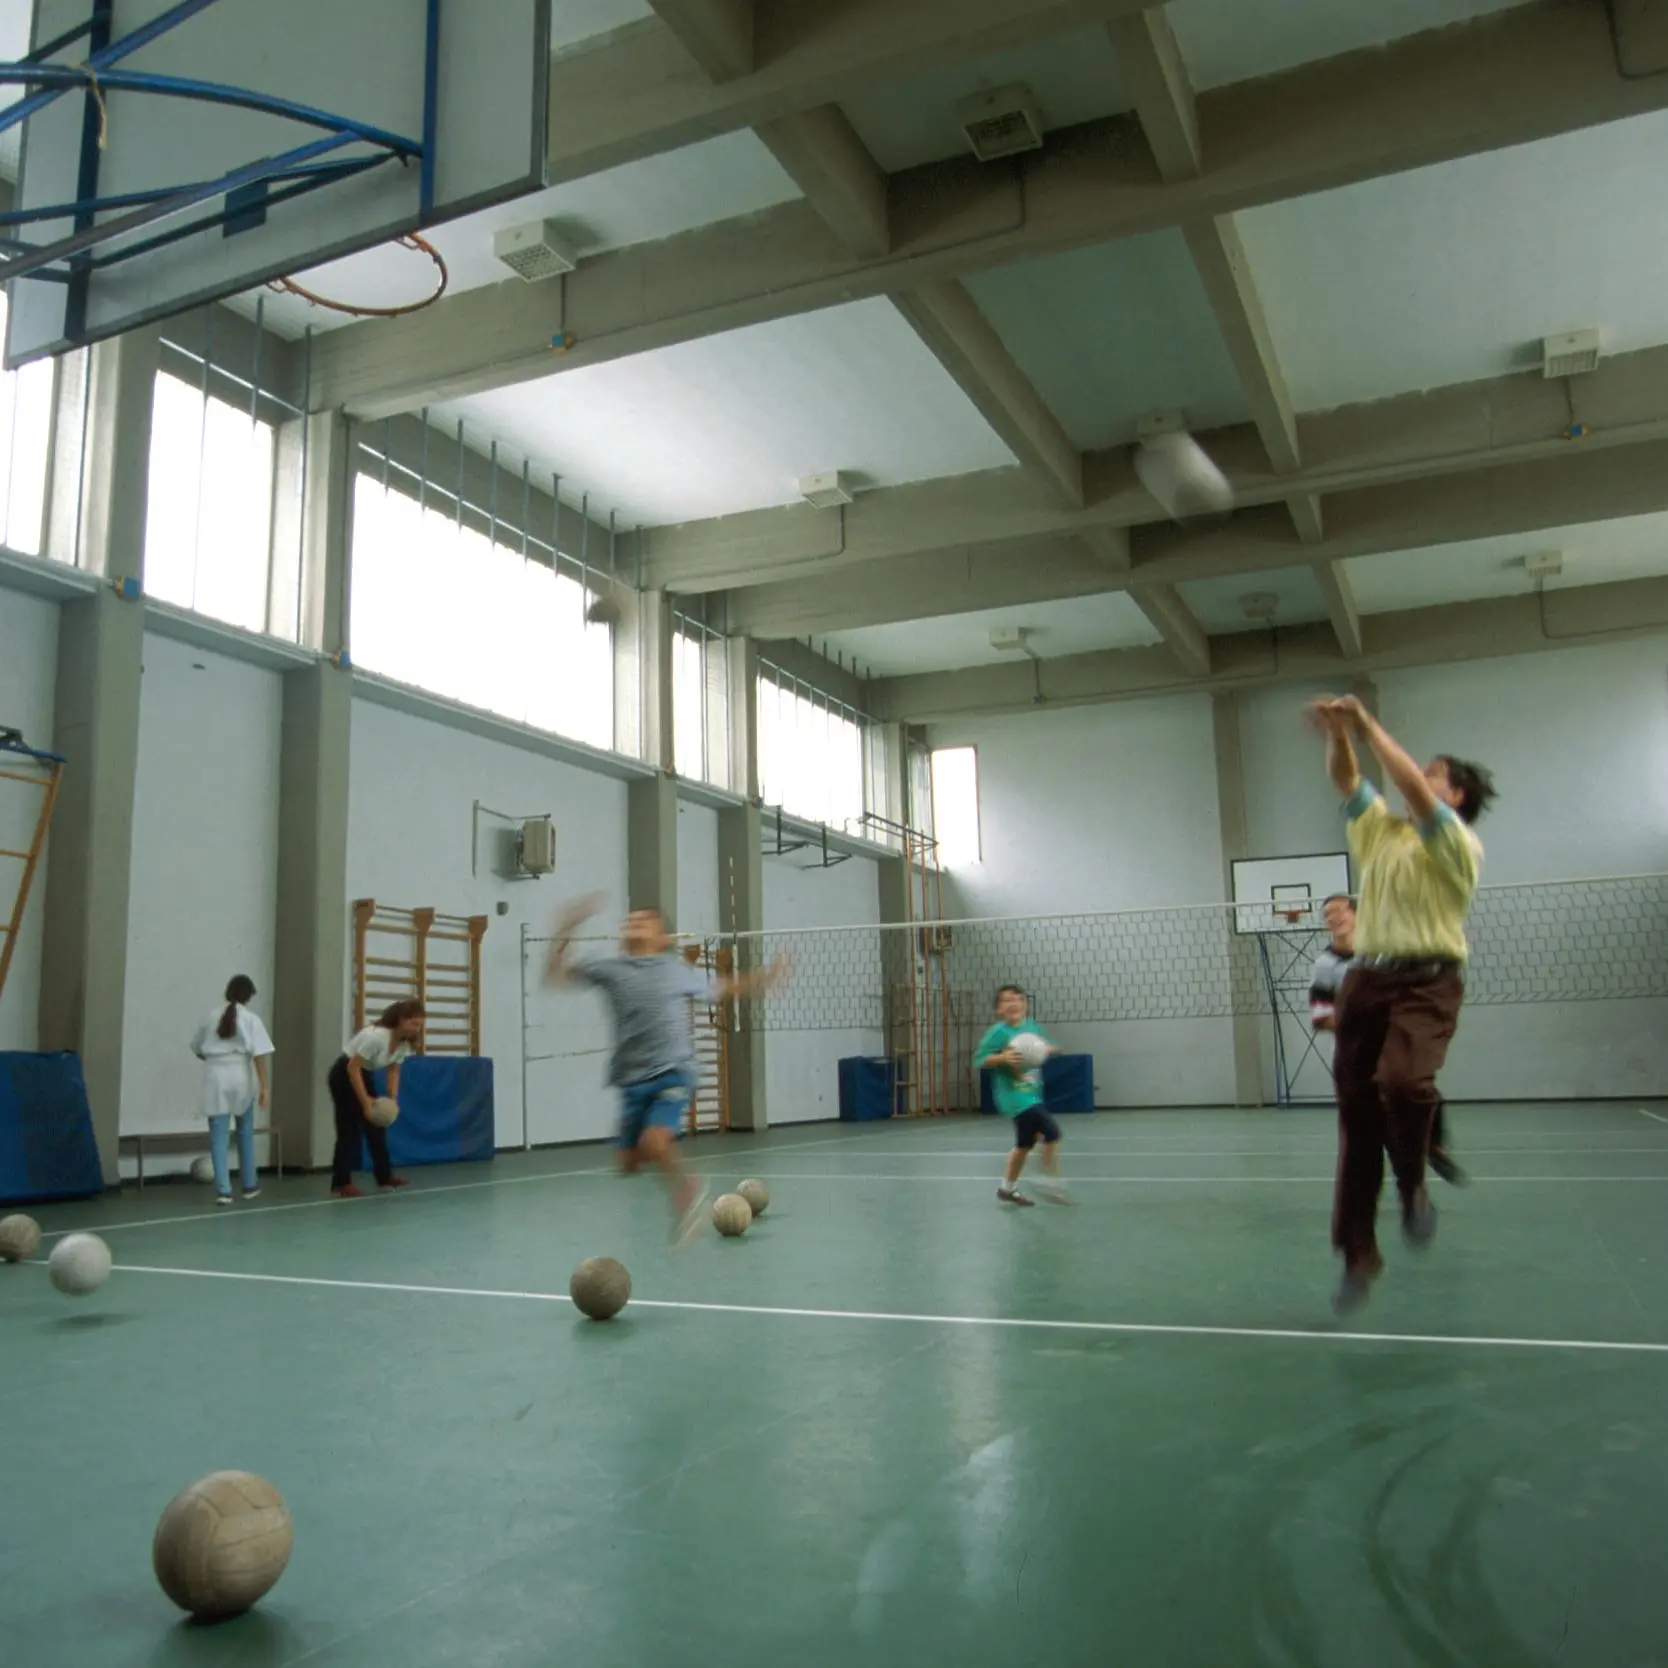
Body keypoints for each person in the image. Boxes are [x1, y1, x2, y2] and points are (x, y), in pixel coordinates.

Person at [1308, 695, 1495, 1314]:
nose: (1420, 774)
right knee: (1357, 1126)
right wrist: (1339, 733)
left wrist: (1367, 725)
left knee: (1407, 1084)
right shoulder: (1381, 831)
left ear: (1456, 797)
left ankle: (1414, 1186)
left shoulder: (1456, 843)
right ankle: (1357, 1256)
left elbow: (1410, 785)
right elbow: (1347, 778)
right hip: (1367, 981)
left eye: (1435, 772)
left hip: (1426, 983)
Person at [545, 896, 789, 1243]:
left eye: (644, 921)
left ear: (663, 939)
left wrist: (763, 979)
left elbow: (723, 987)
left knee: (655, 1140)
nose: (633, 925)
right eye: (629, 921)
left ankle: (687, 1188)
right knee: (627, 1164)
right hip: (631, 1079)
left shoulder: (676, 971)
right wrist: (566, 927)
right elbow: (555, 975)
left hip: (674, 1069)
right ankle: (663, 1167)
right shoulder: (609, 970)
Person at [1310, 892, 1465, 1188]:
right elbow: (1320, 1017)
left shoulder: (1384, 955)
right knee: (1373, 1120)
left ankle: (1434, 1148)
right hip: (1355, 1053)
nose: (1334, 917)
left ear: (1357, 915)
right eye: (1328, 914)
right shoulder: (1325, 965)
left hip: (1392, 1044)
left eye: (1340, 911)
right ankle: (1403, 1177)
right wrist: (1358, 1022)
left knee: (1419, 1090)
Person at [973, 984, 1067, 1206]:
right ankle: (1047, 1179)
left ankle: (1007, 1188)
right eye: (1006, 1000)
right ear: (998, 1009)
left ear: (1025, 1004)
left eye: (1018, 999)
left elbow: (1047, 1047)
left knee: (1024, 1144)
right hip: (1012, 1097)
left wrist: (1047, 1050)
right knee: (1052, 1131)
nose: (1013, 1003)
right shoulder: (999, 1032)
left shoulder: (1032, 1027)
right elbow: (979, 1060)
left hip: (1031, 1093)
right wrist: (1002, 1058)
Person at [190, 974, 274, 1206]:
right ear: (248, 996)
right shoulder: (251, 1019)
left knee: (218, 1136)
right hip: (241, 1076)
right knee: (245, 1132)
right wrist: (265, 1088)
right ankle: (249, 1185)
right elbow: (259, 1056)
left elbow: (197, 1048)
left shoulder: (210, 1016)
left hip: (215, 1075)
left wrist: (216, 1057)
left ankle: (223, 1191)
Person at [328, 999, 423, 1198]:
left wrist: (392, 1098)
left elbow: (393, 1070)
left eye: (420, 1024)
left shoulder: (404, 1043)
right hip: (344, 1074)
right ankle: (341, 1183)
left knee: (376, 1128)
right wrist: (366, 1103)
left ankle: (385, 1177)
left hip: (363, 1073)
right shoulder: (377, 1037)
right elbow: (352, 1067)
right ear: (400, 1020)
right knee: (348, 1130)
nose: (417, 1028)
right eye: (414, 1023)